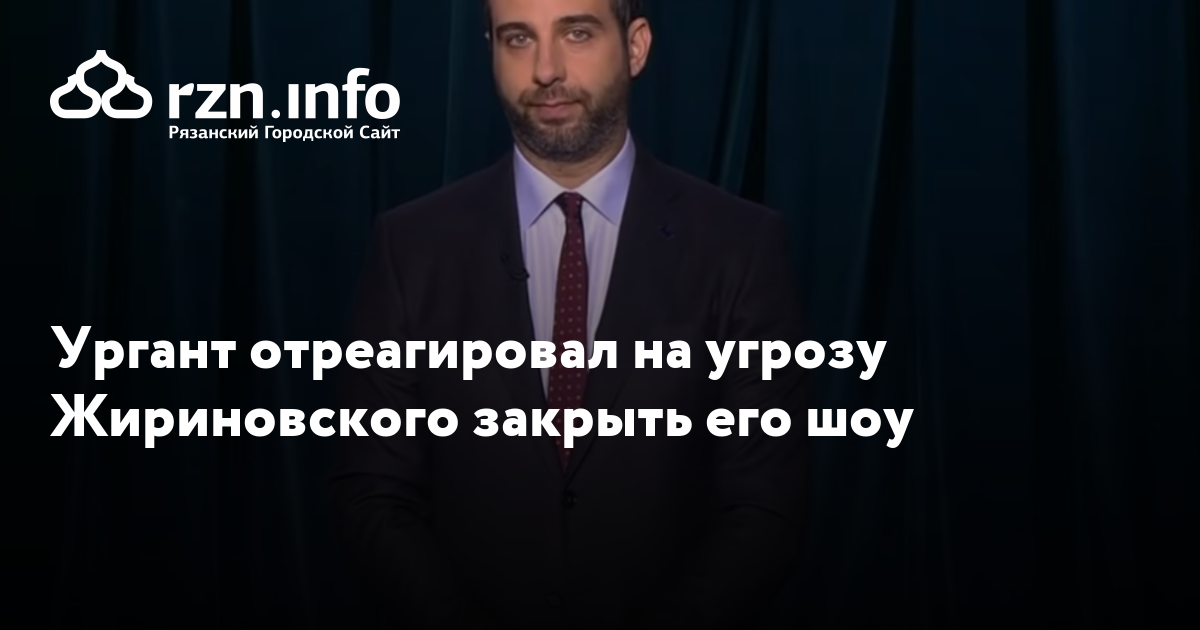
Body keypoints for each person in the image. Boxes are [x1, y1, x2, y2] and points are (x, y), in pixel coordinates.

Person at [329, 0, 807, 627]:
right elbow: (373, 492)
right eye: (517, 38)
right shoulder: (410, 247)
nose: (546, 70)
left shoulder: (740, 247)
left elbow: (765, 505)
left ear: (635, 47)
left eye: (577, 33)